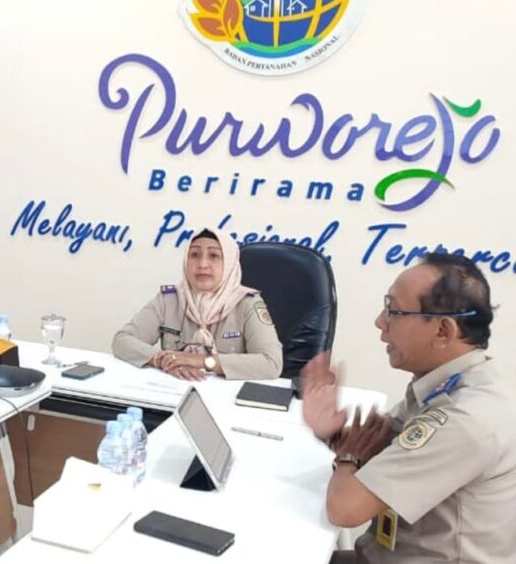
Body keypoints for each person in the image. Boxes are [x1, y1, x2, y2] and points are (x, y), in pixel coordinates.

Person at [302, 253, 516, 563]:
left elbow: (345, 509)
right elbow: (381, 450)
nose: (380, 322)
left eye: (394, 311)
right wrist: (334, 433)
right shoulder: (450, 382)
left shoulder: (465, 419)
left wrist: (347, 456)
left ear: (443, 331)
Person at [112, 227, 282, 380]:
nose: (202, 264)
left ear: (230, 264)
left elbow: (271, 363)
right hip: (175, 390)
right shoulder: (170, 298)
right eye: (194, 255)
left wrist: (203, 362)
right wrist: (164, 360)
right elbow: (122, 340)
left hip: (228, 397)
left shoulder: (247, 303)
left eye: (214, 256)